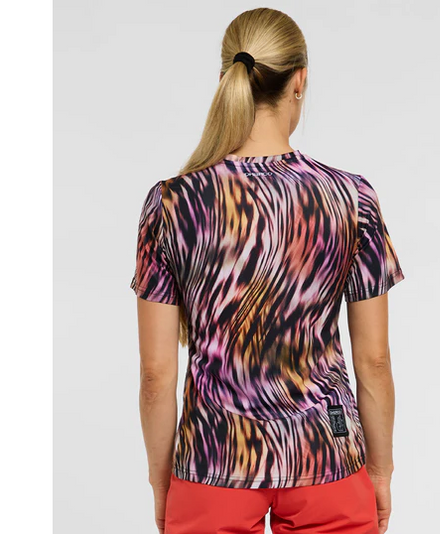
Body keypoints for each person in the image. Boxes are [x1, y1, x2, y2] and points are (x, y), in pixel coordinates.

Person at [130, 7, 405, 534]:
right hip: (327, 454)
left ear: (224, 79)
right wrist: (380, 470)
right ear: (299, 81)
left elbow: (155, 376)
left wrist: (162, 480)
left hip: (213, 461)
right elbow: (374, 361)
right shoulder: (351, 199)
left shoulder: (171, 204)